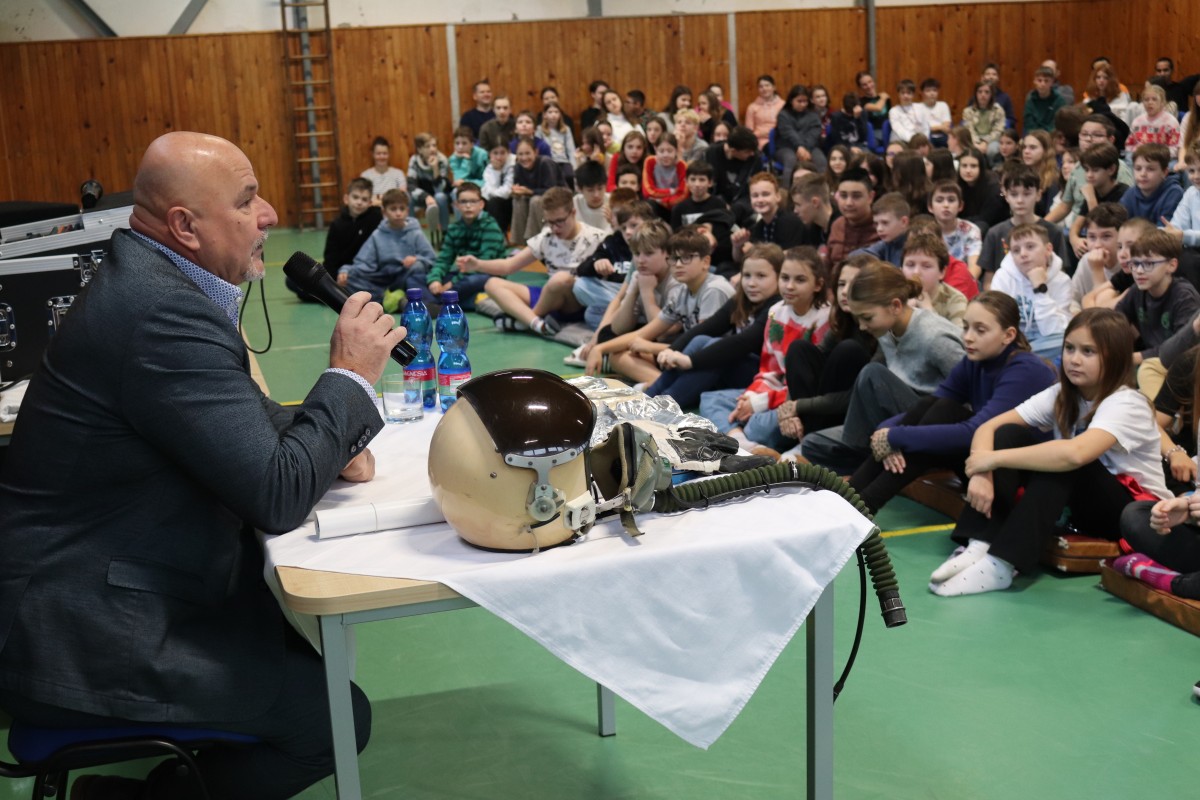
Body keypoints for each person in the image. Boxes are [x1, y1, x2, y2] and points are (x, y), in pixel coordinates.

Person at [0, 131, 393, 799]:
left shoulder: (153, 281)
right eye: (246, 202)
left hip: (99, 581)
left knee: (295, 651)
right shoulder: (161, 312)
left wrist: (329, 441)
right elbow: (276, 494)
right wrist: (349, 380)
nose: (268, 215)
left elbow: (229, 414)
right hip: (82, 631)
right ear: (185, 226)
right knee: (334, 718)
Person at [935, 308, 1171, 597]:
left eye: (1088, 351)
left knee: (1066, 461)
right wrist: (981, 474)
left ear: (1115, 358)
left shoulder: (1127, 402)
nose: (1074, 359)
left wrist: (992, 459)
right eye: (1069, 348)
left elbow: (1076, 454)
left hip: (1134, 517)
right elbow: (989, 427)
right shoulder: (1063, 394)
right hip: (1082, 506)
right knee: (1008, 434)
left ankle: (1002, 564)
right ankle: (979, 542)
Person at [849, 292, 1057, 514]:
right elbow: (930, 405)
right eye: (966, 327)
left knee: (940, 417)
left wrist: (895, 436)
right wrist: (884, 432)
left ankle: (862, 505)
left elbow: (975, 432)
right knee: (938, 408)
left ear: (1008, 335)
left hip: (1022, 474)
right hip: (985, 462)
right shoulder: (975, 360)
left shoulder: (1026, 370)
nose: (968, 337)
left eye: (980, 330)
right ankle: (848, 499)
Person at [800, 260, 964, 472]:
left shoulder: (935, 338)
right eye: (859, 318)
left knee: (873, 373)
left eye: (867, 318)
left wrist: (895, 433)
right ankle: (874, 453)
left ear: (895, 306)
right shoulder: (886, 330)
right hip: (897, 418)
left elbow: (967, 398)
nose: (862, 326)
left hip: (933, 423)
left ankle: (875, 455)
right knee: (813, 444)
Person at [699, 246, 830, 451]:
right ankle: (740, 441)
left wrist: (759, 403)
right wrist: (750, 398)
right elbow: (769, 370)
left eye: (800, 280)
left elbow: (808, 386)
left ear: (818, 284)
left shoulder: (824, 320)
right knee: (711, 399)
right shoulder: (776, 312)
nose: (789, 286)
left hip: (797, 401)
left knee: (758, 426)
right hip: (772, 392)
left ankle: (739, 435)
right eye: (785, 278)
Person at [648, 243, 782, 409]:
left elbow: (745, 341)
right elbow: (708, 327)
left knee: (716, 348)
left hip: (764, 376)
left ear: (779, 277)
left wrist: (690, 361)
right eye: (746, 275)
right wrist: (672, 350)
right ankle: (650, 396)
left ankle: (663, 405)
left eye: (761, 276)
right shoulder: (741, 300)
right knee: (701, 339)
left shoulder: (777, 307)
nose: (751, 283)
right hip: (737, 370)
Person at [597, 226, 734, 386]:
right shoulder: (684, 290)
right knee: (617, 354)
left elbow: (702, 348)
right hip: (682, 353)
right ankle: (659, 383)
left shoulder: (713, 290)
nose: (678, 264)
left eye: (686, 258)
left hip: (716, 363)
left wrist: (651, 347)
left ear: (706, 262)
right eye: (674, 259)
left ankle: (659, 386)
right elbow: (640, 333)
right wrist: (599, 348)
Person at [463, 186, 606, 336]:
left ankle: (525, 320)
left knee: (561, 279)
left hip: (576, 302)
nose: (555, 228)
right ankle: (537, 324)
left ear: (573, 213)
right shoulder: (547, 236)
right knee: (491, 284)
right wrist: (477, 264)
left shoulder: (596, 238)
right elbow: (508, 266)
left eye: (560, 221)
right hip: (549, 296)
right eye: (549, 222)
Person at [1116, 228, 1200, 398]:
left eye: (1148, 264)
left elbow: (1183, 349)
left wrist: (1134, 357)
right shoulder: (1137, 290)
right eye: (1135, 264)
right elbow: (1116, 320)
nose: (1139, 271)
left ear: (1171, 265)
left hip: (1179, 369)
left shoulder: (1184, 296)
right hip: (1150, 362)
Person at [286, 176, 382, 301]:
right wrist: (334, 279)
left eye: (364, 199)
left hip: (362, 273)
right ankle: (333, 294)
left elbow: (391, 208)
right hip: (339, 275)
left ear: (370, 203)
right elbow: (331, 258)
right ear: (346, 199)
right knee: (291, 280)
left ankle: (329, 296)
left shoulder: (375, 218)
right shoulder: (337, 224)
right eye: (355, 197)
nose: (359, 202)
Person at [339, 188, 437, 303]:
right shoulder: (378, 234)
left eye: (402, 208)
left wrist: (417, 258)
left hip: (405, 275)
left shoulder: (415, 232)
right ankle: (391, 298)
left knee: (418, 267)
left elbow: (431, 259)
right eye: (393, 209)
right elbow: (363, 262)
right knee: (349, 278)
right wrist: (346, 271)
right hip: (383, 278)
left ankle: (392, 299)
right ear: (384, 212)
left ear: (407, 211)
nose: (398, 213)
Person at [423, 182, 507, 309]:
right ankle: (453, 301)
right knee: (420, 277)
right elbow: (444, 259)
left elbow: (483, 264)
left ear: (481, 204)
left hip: (487, 274)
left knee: (473, 281)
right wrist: (435, 279)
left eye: (473, 201)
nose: (468, 206)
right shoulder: (455, 228)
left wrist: (453, 283)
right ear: (456, 205)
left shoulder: (490, 227)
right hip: (463, 275)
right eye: (463, 202)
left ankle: (434, 303)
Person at [900, 232, 968, 324]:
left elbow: (957, 333)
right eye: (910, 265)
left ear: (942, 272)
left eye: (926, 266)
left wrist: (929, 311)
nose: (916, 272)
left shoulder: (955, 299)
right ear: (901, 269)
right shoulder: (892, 294)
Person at [826, 167, 879, 266]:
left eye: (856, 196)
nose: (849, 203)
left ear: (870, 197)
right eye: (843, 196)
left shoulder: (882, 227)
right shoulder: (837, 225)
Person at [1121, 143, 1184, 225]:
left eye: (1150, 169)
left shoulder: (1174, 193)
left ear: (1164, 172)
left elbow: (1164, 229)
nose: (1143, 174)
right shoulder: (1130, 193)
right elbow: (1118, 222)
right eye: (1138, 169)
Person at [406, 132, 452, 234]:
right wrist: (426, 197)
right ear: (419, 150)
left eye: (434, 145)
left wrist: (435, 169)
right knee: (407, 196)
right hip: (423, 195)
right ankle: (412, 232)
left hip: (440, 194)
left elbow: (440, 189)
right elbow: (410, 185)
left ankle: (445, 232)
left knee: (440, 196)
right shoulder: (414, 160)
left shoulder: (442, 160)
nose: (432, 149)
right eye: (428, 146)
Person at [1125, 84, 1183, 162]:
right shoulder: (1137, 121)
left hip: (1162, 159)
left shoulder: (1171, 122)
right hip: (1140, 157)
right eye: (1146, 100)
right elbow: (1129, 144)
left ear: (1162, 102)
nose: (1150, 102)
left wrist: (1155, 156)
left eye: (1154, 99)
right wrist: (1137, 152)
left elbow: (1175, 148)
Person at [963, 82, 1006, 160]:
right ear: (975, 94)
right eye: (980, 92)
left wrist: (985, 142)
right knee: (966, 148)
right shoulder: (968, 111)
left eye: (987, 92)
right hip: (973, 140)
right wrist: (976, 144)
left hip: (992, 140)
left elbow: (998, 131)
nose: (983, 95)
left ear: (991, 95)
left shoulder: (998, 110)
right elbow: (969, 130)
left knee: (993, 150)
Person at [480, 141, 514, 235]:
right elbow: (486, 191)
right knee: (480, 201)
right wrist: (497, 171)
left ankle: (498, 234)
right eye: (495, 153)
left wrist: (492, 193)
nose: (499, 157)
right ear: (490, 154)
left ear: (508, 152)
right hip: (496, 200)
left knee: (494, 202)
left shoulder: (513, 165)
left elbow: (507, 192)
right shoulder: (489, 168)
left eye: (502, 153)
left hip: (512, 201)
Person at [359, 135, 407, 202]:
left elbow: (403, 196)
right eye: (378, 154)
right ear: (373, 154)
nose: (382, 157)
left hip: (394, 207)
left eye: (385, 153)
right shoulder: (365, 176)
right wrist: (390, 197)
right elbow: (364, 198)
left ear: (389, 154)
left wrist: (377, 197)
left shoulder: (398, 174)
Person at [1023, 65, 1067, 134]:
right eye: (1039, 80)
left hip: (1052, 136)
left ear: (1052, 82)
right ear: (1034, 81)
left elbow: (1057, 124)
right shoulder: (1030, 99)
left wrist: (1045, 135)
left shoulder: (1059, 101)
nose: (1042, 84)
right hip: (1034, 135)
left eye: (1046, 81)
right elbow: (1029, 124)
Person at [745, 75, 785, 151]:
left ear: (774, 87)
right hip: (760, 142)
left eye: (767, 85)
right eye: (761, 87)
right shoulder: (752, 107)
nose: (764, 89)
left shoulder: (783, 105)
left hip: (779, 139)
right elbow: (749, 131)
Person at [888, 79, 932, 145]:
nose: (905, 96)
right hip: (902, 140)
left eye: (909, 93)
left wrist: (923, 139)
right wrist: (913, 140)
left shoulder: (921, 108)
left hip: (920, 140)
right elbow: (899, 129)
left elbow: (926, 127)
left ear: (913, 94)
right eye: (903, 93)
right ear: (898, 94)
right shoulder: (893, 111)